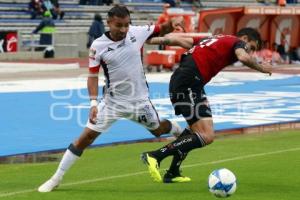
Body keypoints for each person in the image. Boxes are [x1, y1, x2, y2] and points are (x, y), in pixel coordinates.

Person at [38, 5, 184, 192]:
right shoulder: (98, 46)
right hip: (112, 103)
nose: (123, 30)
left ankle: (177, 130)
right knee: (86, 137)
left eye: (126, 25)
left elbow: (161, 28)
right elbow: (92, 76)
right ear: (109, 23)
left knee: (157, 131)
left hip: (139, 102)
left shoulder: (136, 32)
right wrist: (93, 103)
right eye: (119, 25)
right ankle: (56, 178)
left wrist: (173, 22)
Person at [141, 28, 272, 183]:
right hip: (189, 82)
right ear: (244, 38)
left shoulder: (215, 39)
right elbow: (243, 57)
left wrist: (151, 40)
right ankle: (156, 155)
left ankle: (173, 172)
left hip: (187, 81)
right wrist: (262, 68)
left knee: (194, 132)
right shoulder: (238, 43)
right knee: (207, 135)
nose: (251, 52)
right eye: (252, 47)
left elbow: (180, 40)